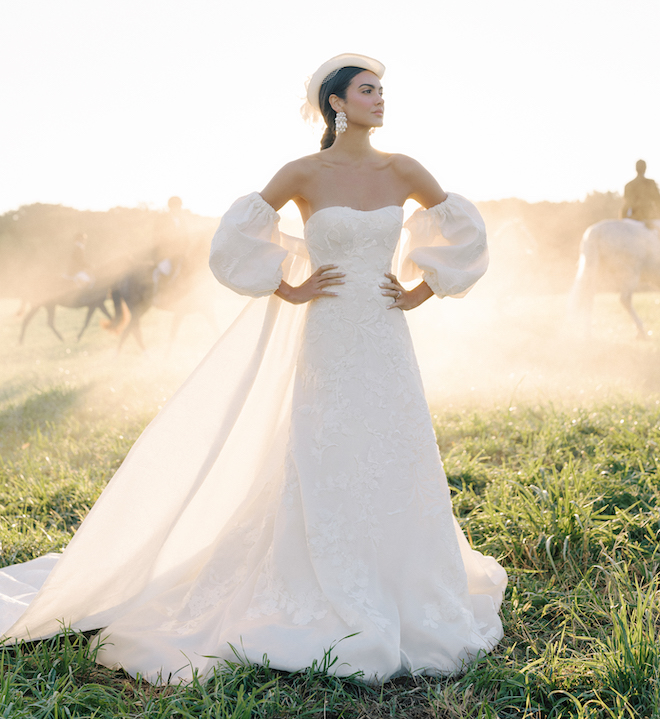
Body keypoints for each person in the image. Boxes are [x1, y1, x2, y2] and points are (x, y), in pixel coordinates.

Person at [0, 54, 506, 683]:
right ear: (337, 103)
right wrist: (286, 287)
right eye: (368, 90)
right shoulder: (302, 172)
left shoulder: (405, 168)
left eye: (383, 91)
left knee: (393, 444)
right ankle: (317, 578)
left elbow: (464, 232)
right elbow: (238, 238)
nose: (381, 100)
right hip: (326, 333)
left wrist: (420, 289)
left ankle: (405, 578)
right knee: (322, 446)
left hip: (383, 332)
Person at [620, 160, 660, 228]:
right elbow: (658, 202)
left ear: (635, 168)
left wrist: (623, 218)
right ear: (645, 168)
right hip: (649, 218)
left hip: (633, 218)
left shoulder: (629, 185)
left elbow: (626, 205)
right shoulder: (651, 184)